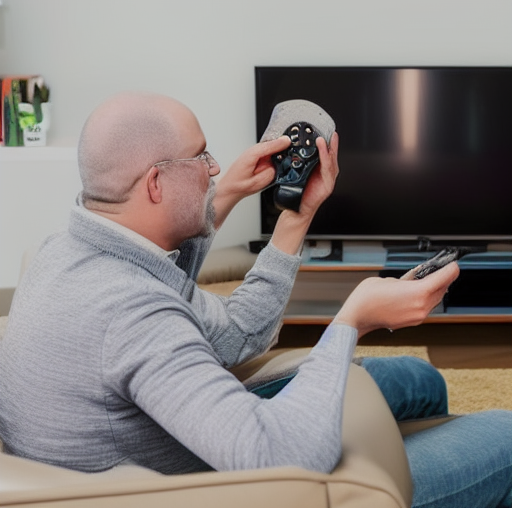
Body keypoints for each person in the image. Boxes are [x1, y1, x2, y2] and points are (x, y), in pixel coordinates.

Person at [0, 91, 511, 508]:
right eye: (201, 157)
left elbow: (231, 335)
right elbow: (285, 454)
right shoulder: (131, 315)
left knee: (413, 380)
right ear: (157, 182)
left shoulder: (66, 253)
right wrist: (352, 320)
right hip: (238, 484)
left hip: (179, 440)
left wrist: (281, 211)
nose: (216, 166)